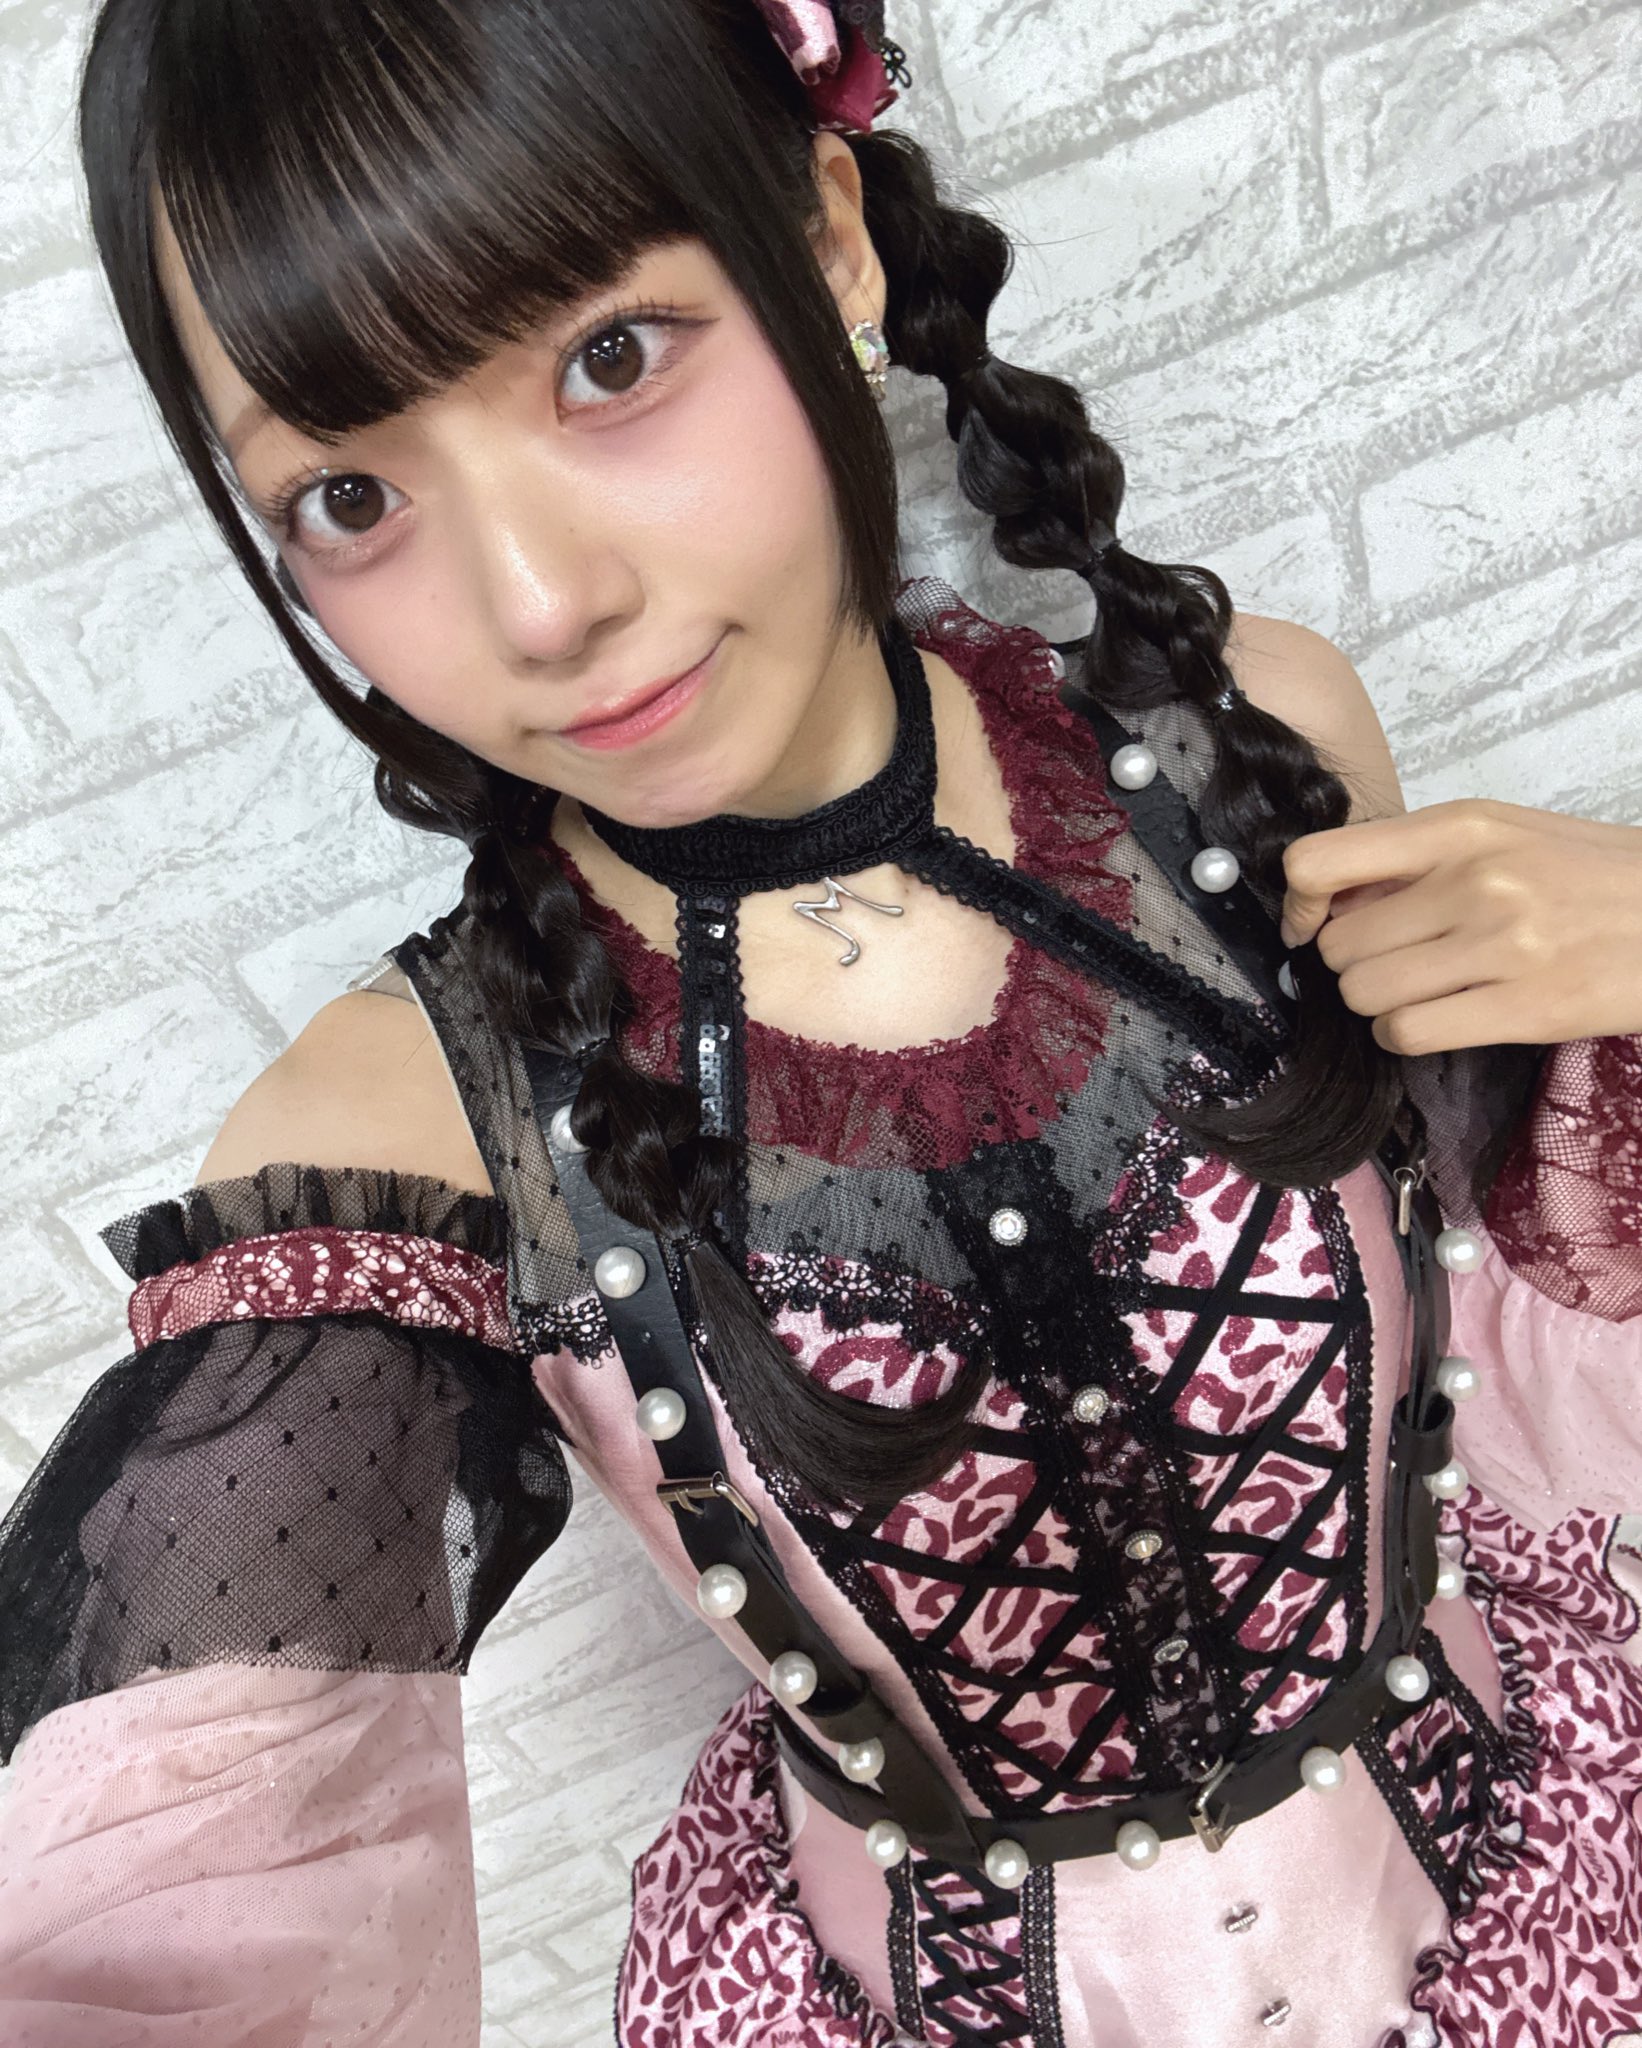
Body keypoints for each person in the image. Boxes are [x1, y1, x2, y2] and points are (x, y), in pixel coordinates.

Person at [1, 2, 1639, 2043]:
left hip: (1530, 1895)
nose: (536, 605)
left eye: (610, 358)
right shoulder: (394, 1138)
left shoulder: (1257, 753)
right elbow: (152, 1916)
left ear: (832, 243)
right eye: (348, 496)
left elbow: (1519, 1317)